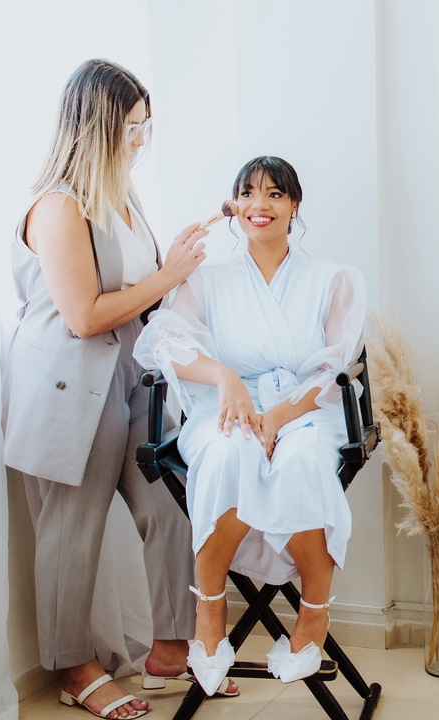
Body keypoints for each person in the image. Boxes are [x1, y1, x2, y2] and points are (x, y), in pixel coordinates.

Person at [1, 59, 234, 719]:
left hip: (134, 377)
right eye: (131, 126)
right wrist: (169, 275)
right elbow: (83, 314)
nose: (141, 139)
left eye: (146, 125)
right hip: (68, 388)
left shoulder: (122, 197)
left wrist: (178, 273)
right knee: (71, 531)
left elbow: (141, 293)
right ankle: (75, 668)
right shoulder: (56, 206)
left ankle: (168, 645)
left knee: (167, 506)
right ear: (97, 126)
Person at [133, 155, 367, 690]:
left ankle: (312, 615)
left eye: (275, 194)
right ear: (233, 205)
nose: (260, 205)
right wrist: (224, 379)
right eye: (248, 193)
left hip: (306, 409)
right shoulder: (207, 280)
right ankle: (209, 615)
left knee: (303, 462)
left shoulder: (331, 279)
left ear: (295, 205)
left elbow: (337, 365)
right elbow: (166, 343)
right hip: (226, 407)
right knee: (227, 455)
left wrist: (282, 416)